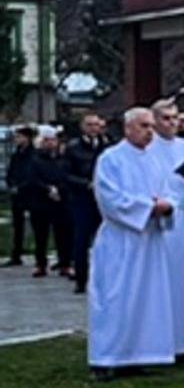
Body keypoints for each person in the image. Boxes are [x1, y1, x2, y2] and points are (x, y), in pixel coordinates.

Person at [87, 108, 177, 379]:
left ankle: (137, 354)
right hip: (121, 239)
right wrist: (147, 207)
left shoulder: (156, 161)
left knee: (146, 299)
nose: (150, 131)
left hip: (149, 239)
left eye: (151, 126)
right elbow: (109, 198)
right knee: (116, 298)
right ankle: (105, 358)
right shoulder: (111, 159)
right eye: (144, 126)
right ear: (128, 128)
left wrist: (167, 207)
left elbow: (170, 193)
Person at [149, 99, 184, 360]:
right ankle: (163, 341)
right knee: (164, 278)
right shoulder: (147, 148)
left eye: (175, 118)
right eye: (166, 118)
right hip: (164, 219)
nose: (172, 123)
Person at [62, 112, 110, 293]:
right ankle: (81, 278)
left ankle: (104, 277)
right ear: (82, 127)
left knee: (104, 239)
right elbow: (66, 174)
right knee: (81, 240)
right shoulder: (73, 148)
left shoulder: (106, 146)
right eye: (89, 125)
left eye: (96, 125)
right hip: (82, 200)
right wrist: (86, 184)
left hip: (102, 200)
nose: (93, 128)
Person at [26, 127, 73, 278]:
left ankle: (65, 264)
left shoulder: (63, 159)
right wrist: (48, 189)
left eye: (53, 140)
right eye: (47, 140)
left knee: (63, 235)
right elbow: (32, 179)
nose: (51, 143)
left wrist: (59, 189)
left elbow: (67, 177)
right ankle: (40, 264)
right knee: (41, 236)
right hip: (40, 203)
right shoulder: (35, 159)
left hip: (60, 202)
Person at [4, 125, 36, 267]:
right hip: (17, 194)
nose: (17, 139)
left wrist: (22, 186)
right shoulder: (16, 154)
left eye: (19, 137)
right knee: (17, 225)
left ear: (27, 138)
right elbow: (11, 171)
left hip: (30, 193)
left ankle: (38, 252)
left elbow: (32, 173)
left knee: (36, 223)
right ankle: (16, 253)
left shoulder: (33, 155)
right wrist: (11, 184)